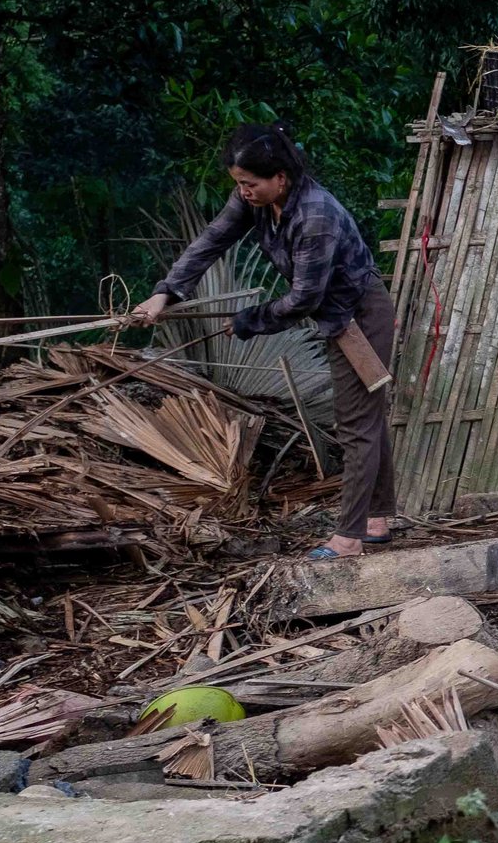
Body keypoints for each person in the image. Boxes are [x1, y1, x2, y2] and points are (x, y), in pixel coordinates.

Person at [131, 122, 396, 560]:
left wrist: (251, 320)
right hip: (334, 315)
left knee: (355, 423)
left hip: (358, 315)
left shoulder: (316, 215)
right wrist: (164, 294)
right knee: (365, 417)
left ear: (280, 178)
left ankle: (348, 539)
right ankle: (376, 518)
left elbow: (303, 299)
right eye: (239, 184)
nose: (244, 192)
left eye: (250, 183)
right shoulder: (253, 201)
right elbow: (211, 242)